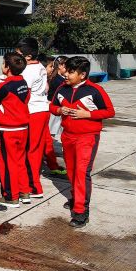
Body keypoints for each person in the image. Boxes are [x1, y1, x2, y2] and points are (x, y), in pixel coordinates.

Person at [50, 56, 115, 227]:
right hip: (67, 136)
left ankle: (81, 210)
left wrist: (88, 115)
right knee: (71, 172)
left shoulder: (95, 90)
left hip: (87, 137)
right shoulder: (62, 89)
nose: (66, 75)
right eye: (66, 70)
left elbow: (110, 111)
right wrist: (59, 109)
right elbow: (51, 106)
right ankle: (75, 198)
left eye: (71, 72)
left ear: (83, 74)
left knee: (81, 172)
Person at [0, 52, 31, 208]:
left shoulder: (4, 86)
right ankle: (24, 192)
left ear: (7, 67)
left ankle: (11, 196)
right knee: (20, 161)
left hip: (9, 129)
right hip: (23, 128)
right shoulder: (23, 83)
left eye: (3, 63)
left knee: (8, 163)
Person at [14, 38, 50, 203]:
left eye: (18, 54)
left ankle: (32, 187)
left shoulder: (27, 71)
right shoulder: (40, 67)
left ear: (27, 56)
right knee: (35, 150)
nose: (16, 57)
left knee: (29, 151)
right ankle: (34, 185)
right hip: (42, 110)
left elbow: (22, 93)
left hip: (33, 112)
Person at [45, 56, 69, 175]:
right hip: (50, 110)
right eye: (65, 65)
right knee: (49, 136)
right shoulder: (57, 80)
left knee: (50, 137)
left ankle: (51, 161)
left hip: (53, 110)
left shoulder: (56, 79)